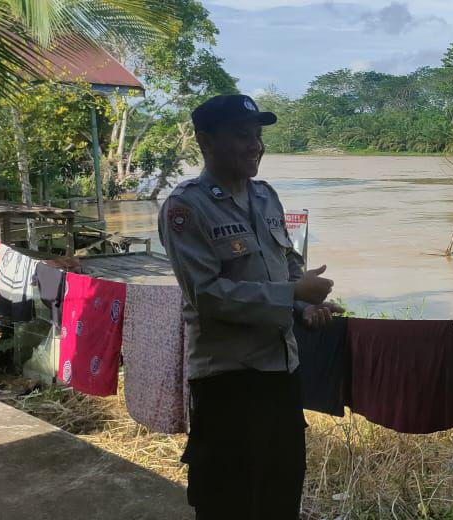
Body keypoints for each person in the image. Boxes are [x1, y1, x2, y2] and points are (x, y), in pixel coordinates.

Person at [158, 94, 341, 519]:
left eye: (258, 135)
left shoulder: (266, 197)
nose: (256, 145)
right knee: (227, 501)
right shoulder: (186, 207)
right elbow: (206, 295)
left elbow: (287, 265)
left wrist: (304, 306)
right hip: (228, 382)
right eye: (242, 135)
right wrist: (292, 295)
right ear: (205, 141)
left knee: (281, 492)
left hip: (282, 373)